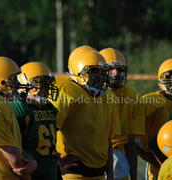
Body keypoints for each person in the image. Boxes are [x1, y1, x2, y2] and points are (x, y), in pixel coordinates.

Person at [51, 46, 120, 180]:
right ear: (77, 72)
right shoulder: (68, 91)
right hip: (73, 174)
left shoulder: (109, 97)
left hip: (100, 174)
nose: (99, 77)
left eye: (102, 72)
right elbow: (48, 129)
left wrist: (110, 175)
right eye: (94, 71)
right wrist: (56, 162)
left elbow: (108, 141)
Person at [99, 47, 145, 180]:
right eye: (110, 69)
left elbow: (130, 142)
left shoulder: (132, 96)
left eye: (119, 69)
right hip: (94, 153)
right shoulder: (91, 95)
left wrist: (134, 177)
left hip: (118, 155)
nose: (116, 73)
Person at [10, 62, 59, 180]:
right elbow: (12, 147)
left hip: (51, 171)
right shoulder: (19, 108)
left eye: (47, 84)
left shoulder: (50, 108)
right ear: (24, 84)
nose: (46, 88)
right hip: (31, 173)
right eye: (40, 83)